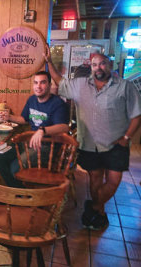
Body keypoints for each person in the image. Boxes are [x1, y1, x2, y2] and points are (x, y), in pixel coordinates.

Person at [45, 48, 141, 230]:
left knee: (113, 181)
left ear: (110, 65)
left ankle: (93, 207)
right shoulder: (81, 85)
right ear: (91, 67)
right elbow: (60, 81)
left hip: (116, 144)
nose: (99, 67)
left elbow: (137, 115)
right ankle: (100, 214)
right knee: (95, 180)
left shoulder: (124, 87)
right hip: (89, 144)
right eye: (95, 64)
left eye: (102, 63)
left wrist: (127, 136)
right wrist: (49, 61)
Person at [0, 71, 69, 186]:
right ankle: (18, 193)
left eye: (42, 83)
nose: (38, 86)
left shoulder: (58, 104)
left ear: (49, 85)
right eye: (36, 83)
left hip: (47, 147)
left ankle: (23, 198)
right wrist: (9, 117)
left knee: (15, 168)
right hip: (29, 143)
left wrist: (42, 131)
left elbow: (64, 127)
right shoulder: (32, 100)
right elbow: (24, 119)